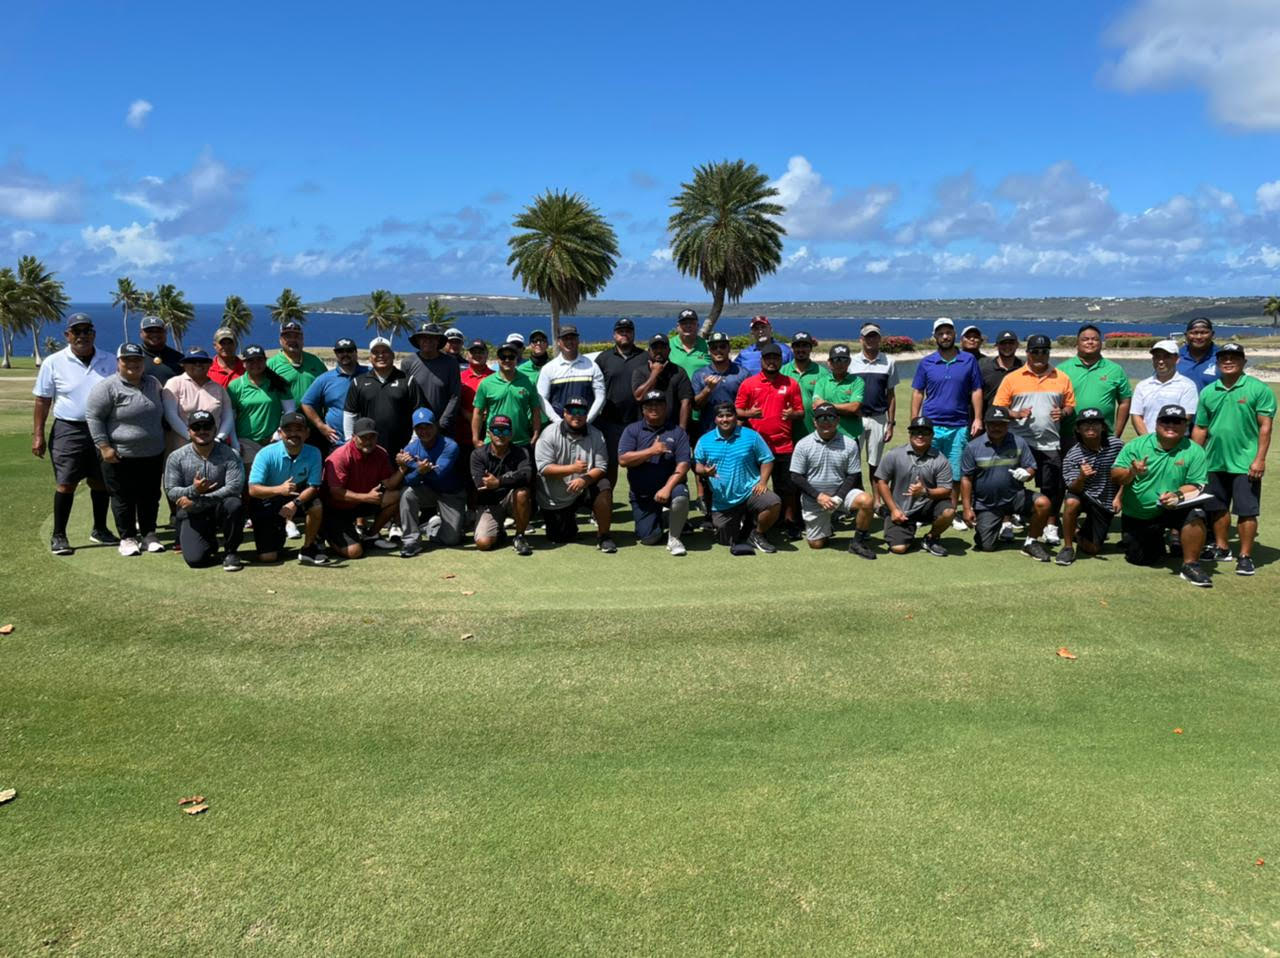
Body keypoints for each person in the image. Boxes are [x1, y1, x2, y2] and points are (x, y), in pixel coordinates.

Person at [31, 313, 118, 554]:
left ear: (94, 333)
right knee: (66, 483)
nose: (82, 336)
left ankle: (99, 530)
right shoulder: (54, 362)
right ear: (67, 335)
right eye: (76, 332)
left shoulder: (109, 360)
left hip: (102, 428)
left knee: (101, 482)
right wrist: (38, 434)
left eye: (86, 331)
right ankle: (59, 535)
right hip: (69, 428)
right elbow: (42, 400)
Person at [1112, 404, 1221, 587]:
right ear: (1157, 424)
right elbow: (1116, 476)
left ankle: (1191, 565)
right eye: (1166, 421)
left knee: (1196, 512)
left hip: (1174, 507)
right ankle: (1164, 539)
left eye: (1178, 422)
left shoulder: (1195, 450)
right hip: (1141, 513)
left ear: (1185, 426)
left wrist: (1177, 496)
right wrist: (1132, 471)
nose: (1171, 425)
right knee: (1142, 559)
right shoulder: (1137, 445)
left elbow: (1196, 484)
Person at [1192, 342, 1275, 576]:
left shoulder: (1258, 389)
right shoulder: (1209, 392)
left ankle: (1246, 556)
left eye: (1234, 357)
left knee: (1247, 510)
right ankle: (1222, 547)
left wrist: (1259, 459)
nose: (1228, 361)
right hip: (1214, 461)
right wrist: (1195, 459)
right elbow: (1200, 428)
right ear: (1218, 363)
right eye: (1224, 358)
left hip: (1245, 462)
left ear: (1244, 362)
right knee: (1216, 508)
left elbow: (1265, 428)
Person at [85, 342, 168, 556]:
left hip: (152, 452)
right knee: (123, 497)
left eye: (137, 360)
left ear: (143, 362)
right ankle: (128, 537)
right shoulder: (107, 387)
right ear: (118, 362)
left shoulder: (153, 383)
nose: (133, 364)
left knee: (150, 495)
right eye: (127, 360)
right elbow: (94, 417)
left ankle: (149, 534)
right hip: (119, 454)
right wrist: (104, 446)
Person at [993, 333, 1076, 545]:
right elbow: (999, 408)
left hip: (1049, 442)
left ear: (1049, 353)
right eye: (1035, 351)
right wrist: (1016, 414)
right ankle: (1007, 522)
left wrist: (1063, 413)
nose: (1040, 355)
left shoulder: (1062, 377)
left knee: (1053, 487)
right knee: (1010, 483)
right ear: (1027, 352)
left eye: (1044, 351)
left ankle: (1050, 525)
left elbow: (1069, 405)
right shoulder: (1012, 378)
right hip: (1019, 442)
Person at [910, 318, 983, 527]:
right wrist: (915, 421)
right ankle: (924, 510)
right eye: (940, 333)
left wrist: (977, 418)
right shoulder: (926, 362)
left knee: (956, 472)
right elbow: (917, 392)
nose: (945, 336)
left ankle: (950, 510)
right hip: (931, 426)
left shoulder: (968, 360)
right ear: (935, 336)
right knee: (925, 470)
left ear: (954, 334)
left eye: (948, 332)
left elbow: (976, 390)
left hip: (959, 425)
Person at [960, 407, 1051, 558]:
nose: (997, 427)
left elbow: (1031, 467)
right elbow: (966, 478)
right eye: (993, 424)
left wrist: (1027, 474)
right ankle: (989, 530)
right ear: (986, 424)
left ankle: (1031, 542)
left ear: (1007, 424)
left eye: (1001, 424)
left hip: (1015, 496)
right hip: (987, 503)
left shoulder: (1018, 442)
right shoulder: (973, 447)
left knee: (1043, 503)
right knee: (986, 546)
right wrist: (966, 508)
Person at [735, 342, 804, 539]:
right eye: (768, 358)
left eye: (775, 358)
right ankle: (756, 522)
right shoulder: (749, 383)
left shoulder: (791, 383)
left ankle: (789, 522)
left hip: (783, 444)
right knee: (754, 487)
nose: (772, 361)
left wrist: (793, 414)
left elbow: (800, 412)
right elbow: (738, 410)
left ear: (781, 360)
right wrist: (750, 413)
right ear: (762, 360)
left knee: (787, 488)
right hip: (756, 447)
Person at [789, 403, 876, 558]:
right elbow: (796, 476)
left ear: (837, 420)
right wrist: (819, 496)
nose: (826, 422)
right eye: (821, 418)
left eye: (830, 417)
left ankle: (857, 542)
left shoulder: (849, 443)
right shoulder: (803, 444)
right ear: (815, 422)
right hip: (815, 499)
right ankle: (826, 527)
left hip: (840, 496)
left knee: (867, 500)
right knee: (817, 544)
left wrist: (837, 497)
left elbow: (852, 475)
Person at [164, 409, 246, 570]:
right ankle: (209, 541)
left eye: (207, 427)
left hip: (217, 507)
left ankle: (231, 552)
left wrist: (198, 498)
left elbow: (234, 487)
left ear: (215, 430)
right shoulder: (176, 457)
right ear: (189, 431)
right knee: (196, 561)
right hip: (193, 512)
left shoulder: (230, 454)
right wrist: (194, 489)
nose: (202, 431)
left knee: (234, 504)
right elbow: (171, 491)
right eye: (197, 427)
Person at [693, 402, 781, 553]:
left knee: (773, 502)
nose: (725, 419)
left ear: (735, 417)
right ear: (715, 419)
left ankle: (757, 533)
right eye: (721, 416)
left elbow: (767, 459)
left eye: (729, 415)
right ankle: (744, 520)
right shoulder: (705, 440)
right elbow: (697, 465)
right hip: (724, 500)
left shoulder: (751, 436)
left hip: (750, 491)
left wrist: (763, 482)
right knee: (726, 541)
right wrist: (705, 471)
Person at [534, 396, 616, 552]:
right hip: (556, 496)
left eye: (581, 411)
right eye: (572, 411)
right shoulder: (549, 433)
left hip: (584, 486)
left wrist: (585, 479)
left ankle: (604, 536)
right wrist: (573, 469)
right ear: (565, 413)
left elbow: (601, 466)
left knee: (603, 485)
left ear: (586, 414)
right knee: (560, 537)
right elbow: (543, 468)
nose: (576, 415)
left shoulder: (596, 434)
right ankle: (569, 521)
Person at [617, 390, 691, 555]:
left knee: (679, 494)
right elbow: (623, 460)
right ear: (643, 409)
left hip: (669, 489)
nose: (654, 408)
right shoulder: (632, 430)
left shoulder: (678, 432)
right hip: (642, 495)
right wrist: (651, 451)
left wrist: (666, 488)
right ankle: (666, 516)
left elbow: (683, 465)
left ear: (666, 407)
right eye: (649, 405)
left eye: (658, 404)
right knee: (649, 538)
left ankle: (674, 538)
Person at [246, 411, 326, 564]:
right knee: (268, 557)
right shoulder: (265, 454)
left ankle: (308, 548)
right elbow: (253, 489)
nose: (293, 434)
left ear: (307, 433)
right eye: (288, 430)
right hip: (267, 499)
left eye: (299, 429)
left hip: (296, 498)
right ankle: (279, 529)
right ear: (280, 433)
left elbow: (314, 486)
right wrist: (279, 490)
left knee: (316, 504)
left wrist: (294, 503)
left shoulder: (314, 452)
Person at [322, 417, 405, 559]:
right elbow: (335, 493)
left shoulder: (380, 453)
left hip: (360, 503)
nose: (368, 441)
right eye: (363, 437)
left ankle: (371, 536)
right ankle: (325, 533)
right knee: (355, 552)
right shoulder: (341, 456)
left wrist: (403, 469)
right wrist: (367, 497)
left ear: (377, 437)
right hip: (336, 509)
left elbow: (389, 484)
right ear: (353, 437)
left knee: (397, 495)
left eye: (372, 436)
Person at [873, 417, 956, 556]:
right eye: (916, 431)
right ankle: (893, 518)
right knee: (898, 548)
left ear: (932, 435)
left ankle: (930, 538)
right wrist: (893, 509)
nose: (920, 435)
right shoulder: (894, 454)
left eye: (925, 432)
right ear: (910, 434)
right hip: (901, 508)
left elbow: (946, 490)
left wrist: (925, 491)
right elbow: (881, 481)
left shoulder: (940, 459)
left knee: (949, 511)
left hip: (927, 506)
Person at [1057, 407, 1125, 565]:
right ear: (1078, 429)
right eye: (1085, 424)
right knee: (1071, 502)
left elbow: (1127, 474)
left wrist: (1119, 497)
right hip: (1083, 495)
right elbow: (1073, 488)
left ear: (1103, 427)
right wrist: (1081, 477)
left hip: (1105, 500)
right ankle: (1067, 547)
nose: (1090, 427)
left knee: (1092, 548)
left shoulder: (1117, 446)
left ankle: (1078, 534)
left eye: (1095, 423)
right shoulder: (1073, 455)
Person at [397, 408, 466, 557]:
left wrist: (414, 465)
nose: (424, 431)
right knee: (407, 493)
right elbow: (407, 480)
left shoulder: (450, 445)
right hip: (427, 491)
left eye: (428, 426)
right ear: (414, 429)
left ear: (435, 426)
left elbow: (439, 474)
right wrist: (417, 470)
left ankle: (432, 527)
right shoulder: (410, 449)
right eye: (419, 428)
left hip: (451, 493)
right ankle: (411, 541)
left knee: (452, 539)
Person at [847, 324, 899, 511]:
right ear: (861, 339)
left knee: (875, 464)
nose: (871, 340)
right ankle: (852, 501)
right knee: (850, 462)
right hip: (854, 420)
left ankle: (876, 502)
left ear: (879, 339)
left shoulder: (889, 362)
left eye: (874, 336)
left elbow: (891, 395)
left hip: (878, 418)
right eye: (867, 337)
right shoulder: (851, 362)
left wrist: (891, 423)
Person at [345, 337, 426, 458]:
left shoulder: (408, 381)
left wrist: (413, 442)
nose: (381, 356)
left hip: (402, 448)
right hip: (368, 447)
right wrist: (349, 441)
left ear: (393, 355)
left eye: (385, 352)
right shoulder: (358, 382)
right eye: (376, 352)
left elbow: (418, 412)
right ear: (370, 358)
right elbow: (350, 414)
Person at [595, 318, 648, 487]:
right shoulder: (603, 359)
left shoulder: (645, 357)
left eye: (628, 331)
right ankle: (604, 504)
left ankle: (644, 504)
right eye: (620, 331)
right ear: (614, 335)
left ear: (633, 334)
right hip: (611, 422)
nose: (624, 334)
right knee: (610, 465)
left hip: (639, 421)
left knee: (640, 463)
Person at [470, 414, 534, 555]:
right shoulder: (478, 454)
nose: (501, 435)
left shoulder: (522, 452)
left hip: (512, 500)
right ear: (489, 433)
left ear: (511, 434)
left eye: (505, 431)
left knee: (522, 492)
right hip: (490, 503)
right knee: (483, 543)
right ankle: (499, 533)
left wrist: (498, 482)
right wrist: (512, 478)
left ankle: (520, 536)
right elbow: (481, 484)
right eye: (496, 431)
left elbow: (527, 475)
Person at [1059, 323, 1131, 441]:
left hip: (1104, 437)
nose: (1090, 342)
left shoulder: (1115, 370)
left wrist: (1116, 434)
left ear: (1101, 343)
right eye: (1085, 339)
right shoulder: (1062, 369)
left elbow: (1125, 402)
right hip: (1069, 436)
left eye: (1095, 339)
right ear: (1077, 343)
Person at [227, 345, 295, 466]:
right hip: (246, 442)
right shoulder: (235, 386)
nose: (255, 364)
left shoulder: (278, 383)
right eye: (250, 361)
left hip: (274, 441)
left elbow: (290, 411)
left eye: (259, 360)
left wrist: (278, 434)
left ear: (265, 361)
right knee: (253, 480)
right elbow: (230, 417)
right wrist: (235, 443)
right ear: (243, 363)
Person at [162, 347, 237, 458]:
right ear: (184, 364)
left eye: (202, 361)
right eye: (192, 361)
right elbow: (170, 414)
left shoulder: (219, 388)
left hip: (215, 450)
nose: (198, 364)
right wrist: (191, 438)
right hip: (183, 451)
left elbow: (228, 416)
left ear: (209, 365)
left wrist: (219, 438)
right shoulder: (174, 383)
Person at [301, 337, 366, 453]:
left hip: (368, 441)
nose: (345, 354)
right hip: (338, 443)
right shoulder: (325, 379)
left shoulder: (369, 373)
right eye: (340, 351)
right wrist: (321, 426)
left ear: (356, 352)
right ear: (336, 354)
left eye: (349, 350)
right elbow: (306, 403)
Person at [472, 341, 542, 447]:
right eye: (503, 357)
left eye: (511, 357)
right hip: (493, 443)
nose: (507, 360)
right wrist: (475, 438)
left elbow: (535, 411)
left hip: (521, 442)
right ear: (498, 359)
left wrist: (536, 434)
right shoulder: (486, 383)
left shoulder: (528, 382)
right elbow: (478, 412)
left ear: (516, 358)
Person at [536, 324, 605, 423]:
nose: (569, 342)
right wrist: (557, 422)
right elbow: (542, 398)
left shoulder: (592, 367)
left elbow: (600, 397)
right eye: (565, 339)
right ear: (559, 342)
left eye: (572, 338)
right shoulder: (548, 369)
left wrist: (587, 420)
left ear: (578, 340)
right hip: (558, 427)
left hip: (587, 427)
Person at [400, 322, 461, 432]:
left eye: (432, 338)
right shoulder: (408, 363)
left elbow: (455, 396)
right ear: (418, 340)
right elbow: (404, 394)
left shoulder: (450, 363)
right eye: (423, 338)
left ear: (438, 341)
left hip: (443, 427)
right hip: (415, 426)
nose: (428, 341)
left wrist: (442, 422)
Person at [1131, 340, 1199, 435]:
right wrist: (1147, 441)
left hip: (1177, 442)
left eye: (1167, 357)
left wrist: (1166, 438)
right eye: (1157, 357)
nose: (1161, 361)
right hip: (1148, 443)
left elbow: (1186, 417)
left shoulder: (1188, 385)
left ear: (1177, 359)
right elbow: (1136, 415)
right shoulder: (1142, 386)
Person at [630, 333, 694, 431]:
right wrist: (654, 374)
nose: (659, 351)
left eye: (663, 348)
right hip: (645, 430)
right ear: (649, 351)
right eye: (655, 348)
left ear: (669, 351)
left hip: (672, 429)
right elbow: (639, 397)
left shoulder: (679, 372)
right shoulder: (640, 371)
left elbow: (686, 402)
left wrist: (682, 431)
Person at [668, 308, 710, 439]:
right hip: (675, 409)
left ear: (697, 325)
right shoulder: (668, 345)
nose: (688, 326)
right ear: (677, 327)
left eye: (691, 323)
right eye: (684, 323)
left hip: (702, 409)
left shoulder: (707, 346)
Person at [267, 319, 327, 404]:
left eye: (296, 336)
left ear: (302, 339)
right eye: (288, 337)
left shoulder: (316, 361)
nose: (292, 340)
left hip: (314, 416)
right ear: (280, 340)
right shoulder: (271, 364)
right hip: (284, 416)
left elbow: (327, 387)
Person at [779, 331, 823, 443]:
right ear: (792, 348)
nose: (801, 349)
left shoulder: (822, 373)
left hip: (813, 432)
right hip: (787, 433)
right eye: (797, 346)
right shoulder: (782, 371)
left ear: (811, 348)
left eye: (805, 346)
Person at [813, 344, 864, 440]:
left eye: (844, 360)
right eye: (836, 360)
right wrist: (846, 409)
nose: (840, 364)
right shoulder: (822, 381)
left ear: (849, 362)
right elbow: (817, 405)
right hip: (826, 435)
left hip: (850, 436)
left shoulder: (857, 381)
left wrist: (826, 405)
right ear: (829, 362)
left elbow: (854, 407)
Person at [457, 338, 494, 451]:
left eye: (481, 352)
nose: (477, 355)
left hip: (489, 434)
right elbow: (453, 400)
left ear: (487, 354)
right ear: (467, 355)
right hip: (462, 434)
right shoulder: (459, 377)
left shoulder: (495, 377)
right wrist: (466, 413)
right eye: (473, 352)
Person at [979, 330, 1023, 409]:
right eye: (1003, 343)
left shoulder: (1024, 368)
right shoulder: (984, 369)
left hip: (1018, 418)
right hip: (990, 418)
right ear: (997, 345)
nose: (1007, 346)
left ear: (1017, 345)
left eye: (1011, 343)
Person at [137, 315, 184, 384]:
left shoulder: (178, 358)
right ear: (141, 333)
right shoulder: (134, 356)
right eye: (149, 331)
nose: (154, 334)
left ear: (165, 333)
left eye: (159, 331)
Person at [1177, 317, 1220, 389]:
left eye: (1204, 332)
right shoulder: (1174, 357)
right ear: (1186, 335)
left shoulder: (1223, 357)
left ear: (1212, 334)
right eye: (1194, 333)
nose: (1199, 337)